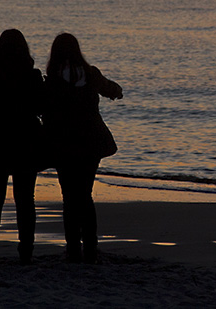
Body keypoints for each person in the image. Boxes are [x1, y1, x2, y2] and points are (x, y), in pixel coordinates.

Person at [43, 33, 123, 264]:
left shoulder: (53, 79)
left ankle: (72, 249)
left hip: (64, 143)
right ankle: (90, 248)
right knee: (85, 195)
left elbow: (44, 107)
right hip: (91, 142)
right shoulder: (90, 74)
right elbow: (112, 89)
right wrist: (116, 92)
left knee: (69, 196)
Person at [0, 29, 45, 265]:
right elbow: (40, 107)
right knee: (26, 200)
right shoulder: (32, 75)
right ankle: (26, 251)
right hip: (26, 140)